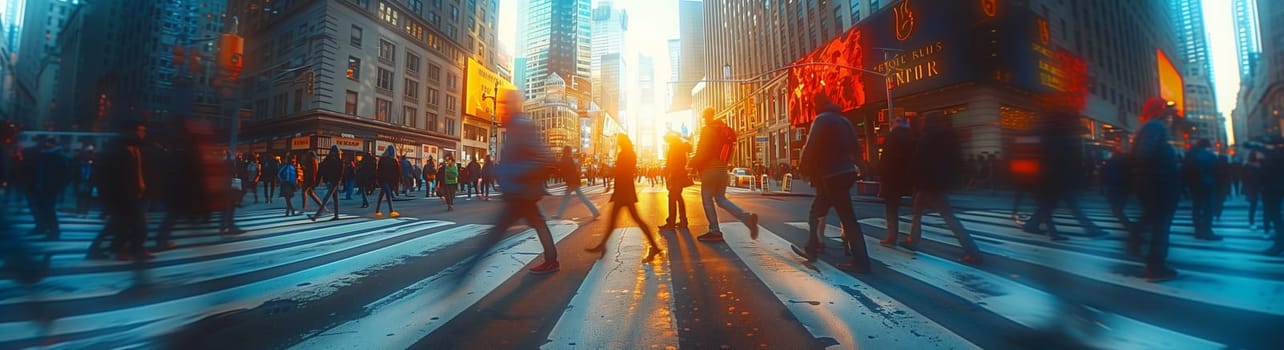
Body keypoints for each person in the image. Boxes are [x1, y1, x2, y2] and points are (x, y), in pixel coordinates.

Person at [458, 89, 560, 275]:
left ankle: (462, 274)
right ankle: (552, 260)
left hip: (520, 192)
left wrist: (510, 173)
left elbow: (541, 158)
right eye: (502, 104)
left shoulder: (522, 125)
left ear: (516, 104)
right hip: (520, 192)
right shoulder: (514, 125)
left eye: (507, 103)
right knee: (537, 224)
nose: (503, 107)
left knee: (496, 234)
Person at [789, 95, 871, 272]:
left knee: (822, 214)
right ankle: (859, 259)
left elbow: (810, 146)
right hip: (847, 173)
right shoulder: (844, 120)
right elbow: (856, 147)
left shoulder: (822, 119)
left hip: (832, 174)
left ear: (817, 105)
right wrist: (862, 166)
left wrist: (802, 169)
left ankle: (858, 262)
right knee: (846, 217)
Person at [903, 112, 983, 265]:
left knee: (947, 217)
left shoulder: (927, 138)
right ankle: (912, 239)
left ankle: (973, 251)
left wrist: (912, 179)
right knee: (918, 212)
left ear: (926, 123)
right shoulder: (948, 138)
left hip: (928, 183)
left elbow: (918, 161)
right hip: (938, 182)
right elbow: (958, 159)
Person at [586, 135, 662, 261]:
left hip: (624, 191)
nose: (616, 143)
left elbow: (624, 171)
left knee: (624, 220)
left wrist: (612, 170)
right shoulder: (628, 153)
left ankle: (654, 247)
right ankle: (602, 245)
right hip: (624, 190)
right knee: (622, 220)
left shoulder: (626, 154)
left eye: (618, 141)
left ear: (622, 142)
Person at [1129, 98, 1181, 281]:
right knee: (1160, 226)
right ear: (1160, 112)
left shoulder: (1151, 128)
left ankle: (1153, 261)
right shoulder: (1155, 127)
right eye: (1168, 113)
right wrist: (1164, 171)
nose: (1171, 118)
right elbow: (1144, 155)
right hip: (1158, 185)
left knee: (1157, 223)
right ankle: (1155, 267)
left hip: (1154, 184)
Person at [690, 107, 759, 242]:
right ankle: (747, 218)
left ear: (706, 117)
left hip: (710, 170)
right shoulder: (724, 129)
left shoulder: (707, 130)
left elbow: (702, 151)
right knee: (721, 199)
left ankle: (714, 230)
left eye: (704, 118)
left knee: (707, 200)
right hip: (723, 169)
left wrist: (692, 164)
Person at [878, 117, 915, 248]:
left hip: (892, 178)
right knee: (916, 209)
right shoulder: (912, 137)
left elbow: (886, 160)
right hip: (910, 177)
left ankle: (892, 236)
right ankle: (913, 237)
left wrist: (882, 178)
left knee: (891, 209)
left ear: (894, 124)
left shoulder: (892, 137)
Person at [1182, 138, 1222, 240]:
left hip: (1194, 185)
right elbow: (1217, 172)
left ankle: (1198, 231)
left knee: (1196, 207)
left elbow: (1185, 170)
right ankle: (1207, 231)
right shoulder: (1211, 156)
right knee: (1208, 208)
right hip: (1208, 185)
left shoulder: (1190, 155)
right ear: (1207, 145)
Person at [553, 146, 599, 219]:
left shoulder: (565, 159)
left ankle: (559, 215)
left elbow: (561, 168)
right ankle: (595, 211)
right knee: (581, 198)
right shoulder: (570, 159)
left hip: (571, 182)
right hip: (574, 181)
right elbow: (574, 171)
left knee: (567, 198)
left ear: (564, 151)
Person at [659, 132, 693, 230]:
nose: (667, 142)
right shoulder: (679, 146)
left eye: (667, 140)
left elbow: (673, 163)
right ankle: (683, 221)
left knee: (672, 198)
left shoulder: (674, 147)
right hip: (679, 175)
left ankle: (671, 223)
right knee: (677, 197)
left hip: (675, 176)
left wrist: (669, 175)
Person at [309, 145, 344, 221]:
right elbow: (340, 172)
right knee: (335, 199)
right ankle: (336, 215)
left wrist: (318, 181)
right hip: (333, 181)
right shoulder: (337, 160)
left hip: (333, 181)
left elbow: (322, 169)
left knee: (327, 198)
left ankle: (317, 215)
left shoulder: (331, 159)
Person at [374, 146, 401, 218]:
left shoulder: (382, 159)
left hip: (383, 179)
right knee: (388, 194)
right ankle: (391, 211)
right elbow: (397, 172)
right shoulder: (394, 160)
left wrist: (378, 179)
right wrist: (396, 182)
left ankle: (377, 211)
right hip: (389, 180)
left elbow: (378, 170)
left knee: (382, 195)